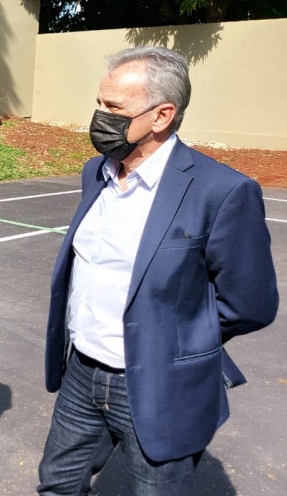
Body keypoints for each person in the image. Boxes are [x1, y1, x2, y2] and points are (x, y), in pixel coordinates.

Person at [38, 46, 279, 495]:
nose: (99, 118)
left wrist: (175, 337)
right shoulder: (97, 172)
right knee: (57, 485)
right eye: (99, 104)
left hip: (156, 382)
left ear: (162, 115)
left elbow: (252, 304)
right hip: (82, 373)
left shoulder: (223, 190)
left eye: (114, 108)